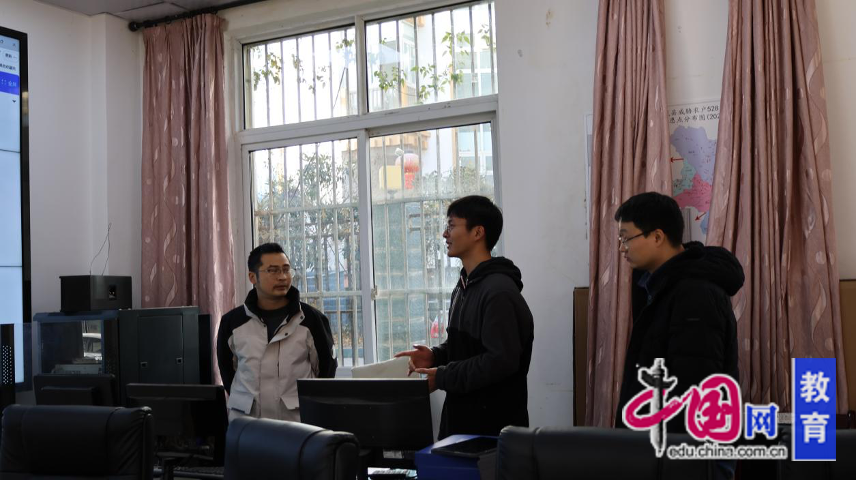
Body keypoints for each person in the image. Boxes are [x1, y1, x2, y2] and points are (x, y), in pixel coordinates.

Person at [395, 196, 534, 439]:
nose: (444, 234)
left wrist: (443, 376)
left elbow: (500, 361)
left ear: (478, 232)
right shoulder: (463, 287)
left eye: (451, 226)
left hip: (492, 432)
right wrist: (436, 355)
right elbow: (467, 347)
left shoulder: (499, 292)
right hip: (460, 423)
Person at [612, 192, 743, 437]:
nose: (621, 248)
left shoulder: (695, 294)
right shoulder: (660, 286)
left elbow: (695, 388)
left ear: (657, 236)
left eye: (626, 238)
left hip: (680, 449)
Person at [217, 243, 337, 422]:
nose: (282, 277)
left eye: (286, 270)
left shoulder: (311, 319)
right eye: (272, 271)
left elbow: (325, 371)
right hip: (246, 424)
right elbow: (228, 373)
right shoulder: (232, 323)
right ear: (253, 277)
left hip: (296, 423)